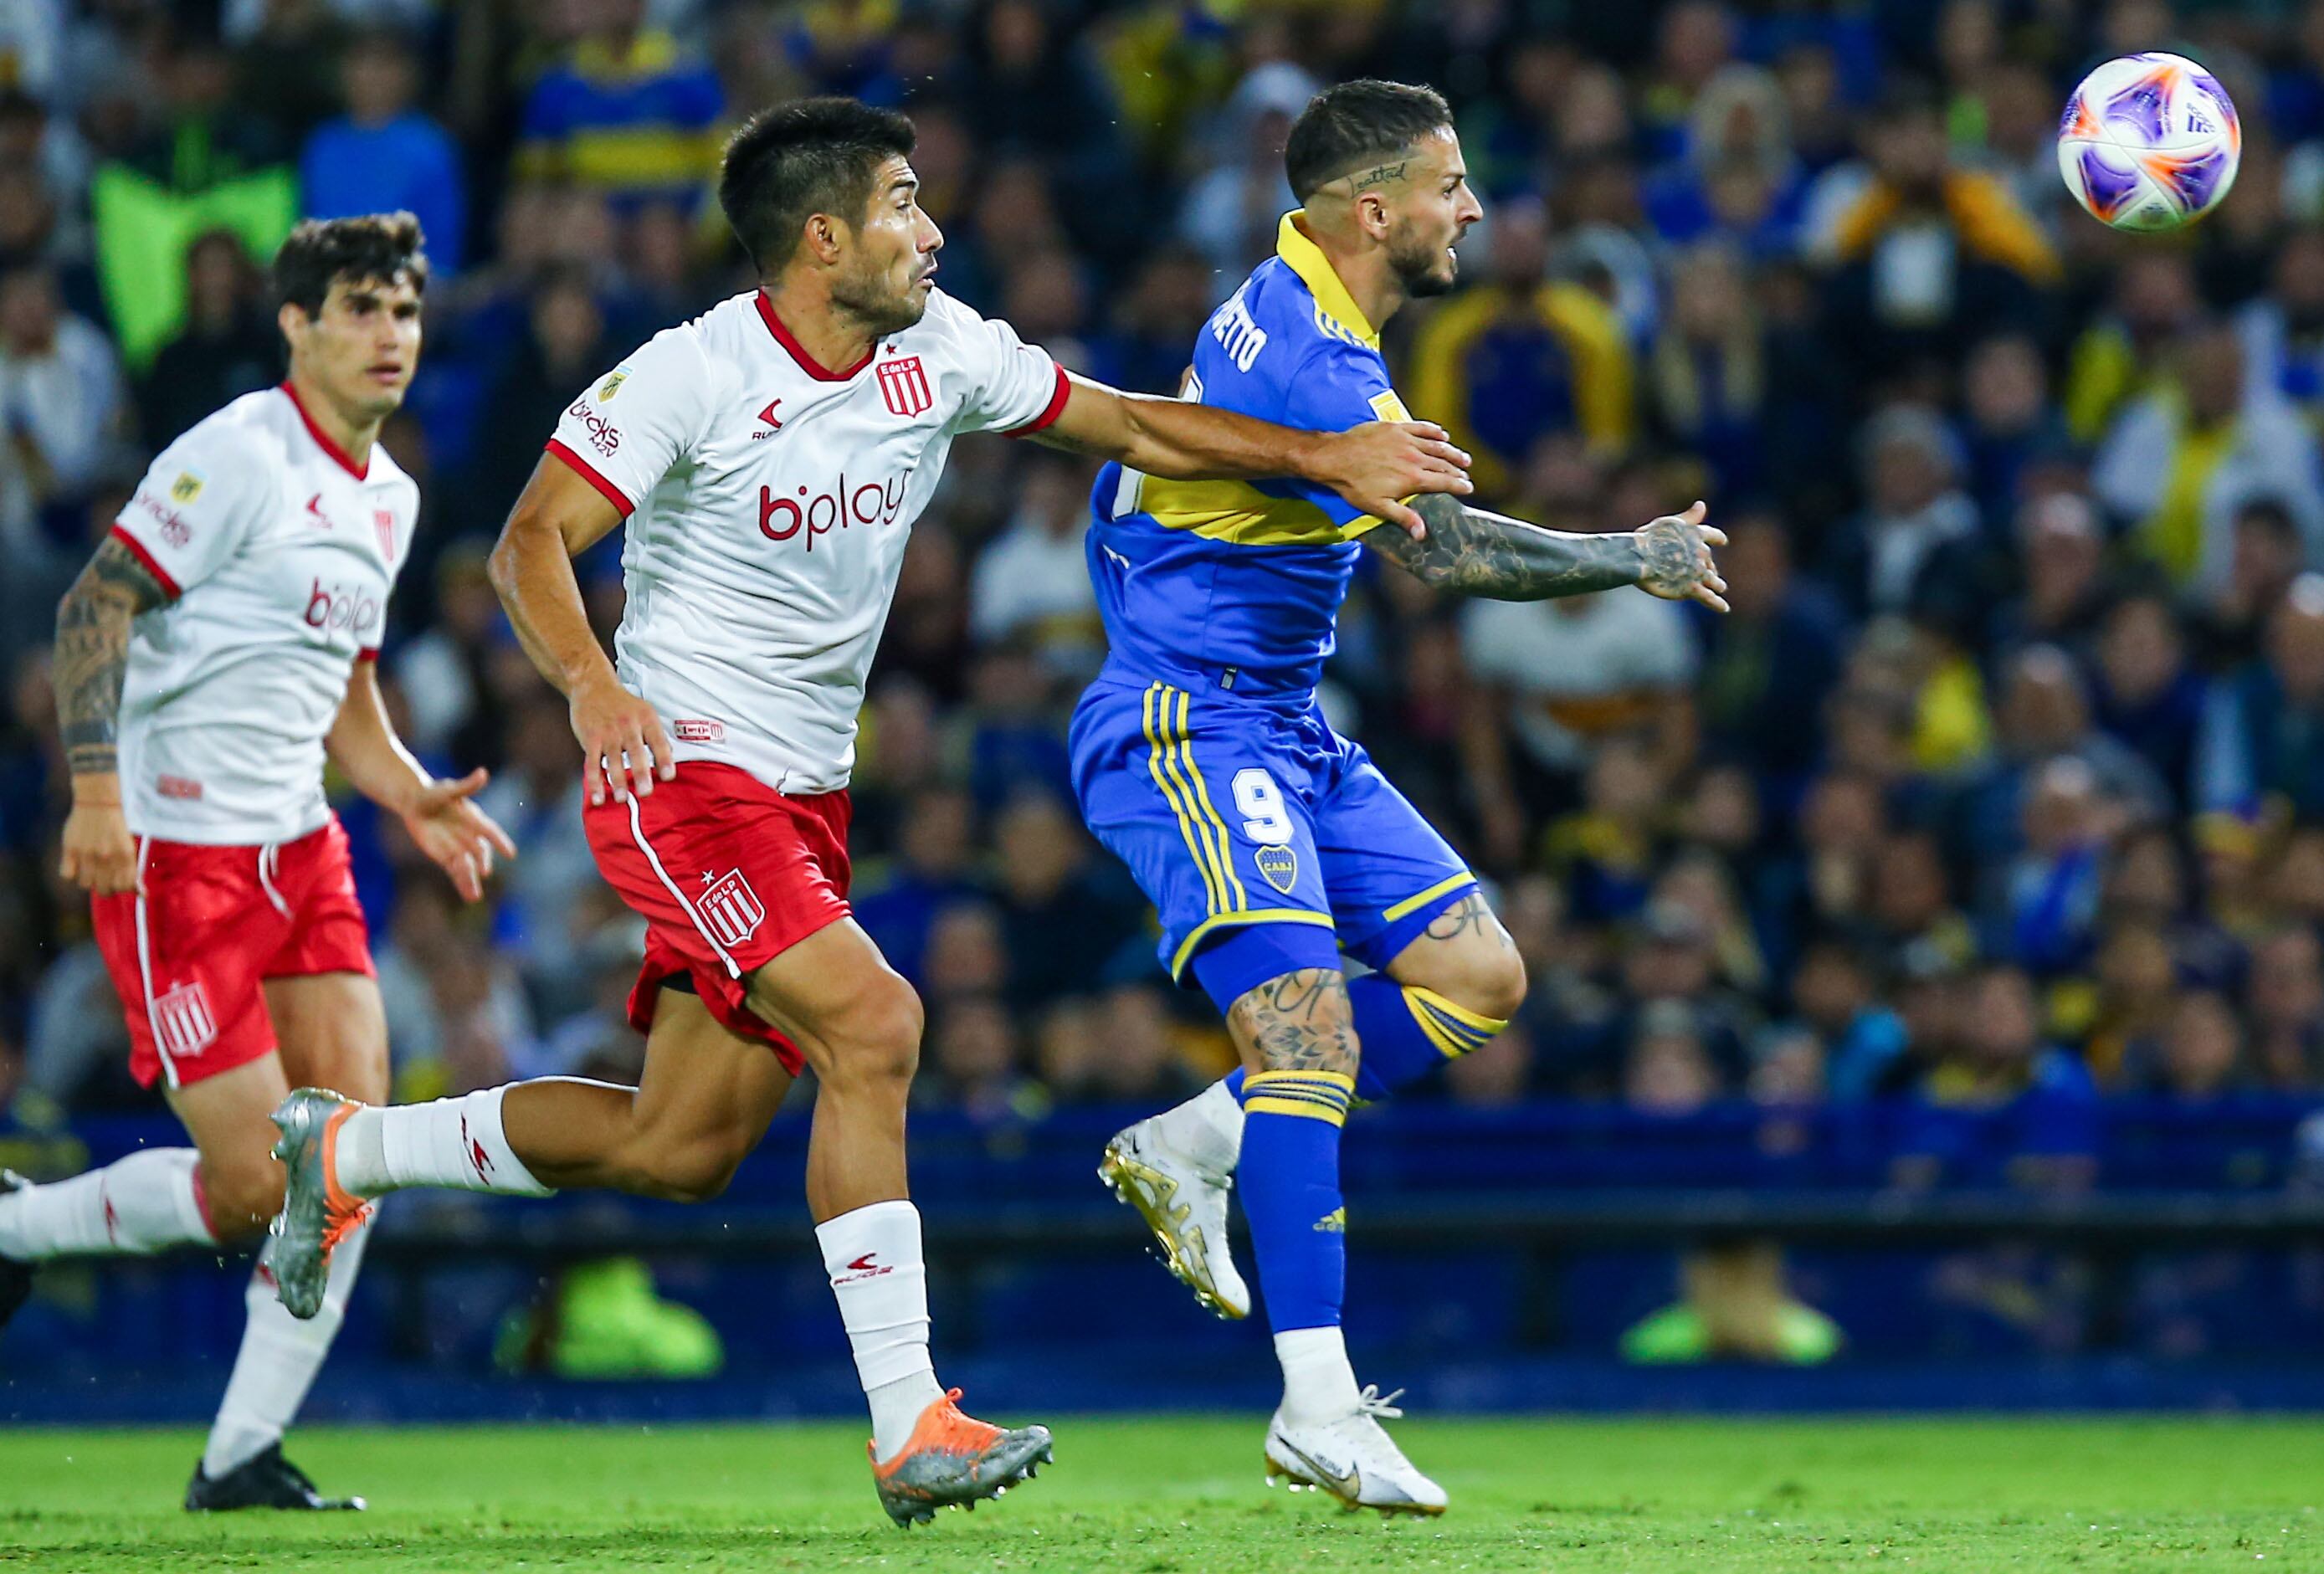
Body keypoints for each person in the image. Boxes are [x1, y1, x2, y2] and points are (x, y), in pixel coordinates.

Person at [261, 97, 1469, 1529]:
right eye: (905, 203)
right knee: (879, 1022)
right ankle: (913, 1422)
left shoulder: (941, 349)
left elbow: (1137, 423)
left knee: (677, 1146)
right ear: (823, 237)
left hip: (804, 796)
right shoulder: (689, 375)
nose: (934, 228)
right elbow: (529, 542)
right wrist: (594, 692)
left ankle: (342, 1151)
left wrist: (1325, 459)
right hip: (681, 778)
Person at [1074, 81, 1726, 1514]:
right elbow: (1450, 558)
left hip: (1281, 723)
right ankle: (1317, 1402)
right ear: (1375, 211)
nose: (1473, 210)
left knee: (1476, 974)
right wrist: (1631, 553)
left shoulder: (1296, 303)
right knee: (1306, 1027)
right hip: (1191, 726)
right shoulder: (1318, 364)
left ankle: (1205, 1134)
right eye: (1450, 184)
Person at [0, 215, 512, 1510]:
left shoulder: (390, 494)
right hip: (176, 859)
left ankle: (239, 1453)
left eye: (403, 310)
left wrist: (405, 793)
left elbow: (341, 678)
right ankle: (15, 1225)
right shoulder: (237, 451)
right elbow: (91, 605)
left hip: (302, 849)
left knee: (354, 1161)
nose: (389, 334)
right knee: (248, 1190)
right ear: (296, 323)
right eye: (359, 308)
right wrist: (98, 792)